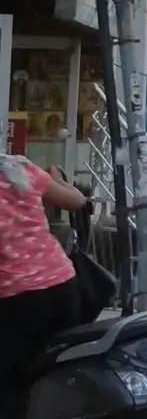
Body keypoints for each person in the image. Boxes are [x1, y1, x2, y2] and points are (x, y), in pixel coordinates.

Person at [0, 156, 90, 394]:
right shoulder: (21, 168)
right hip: (64, 285)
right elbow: (78, 201)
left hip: (19, 297)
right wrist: (56, 180)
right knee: (54, 370)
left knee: (12, 382)